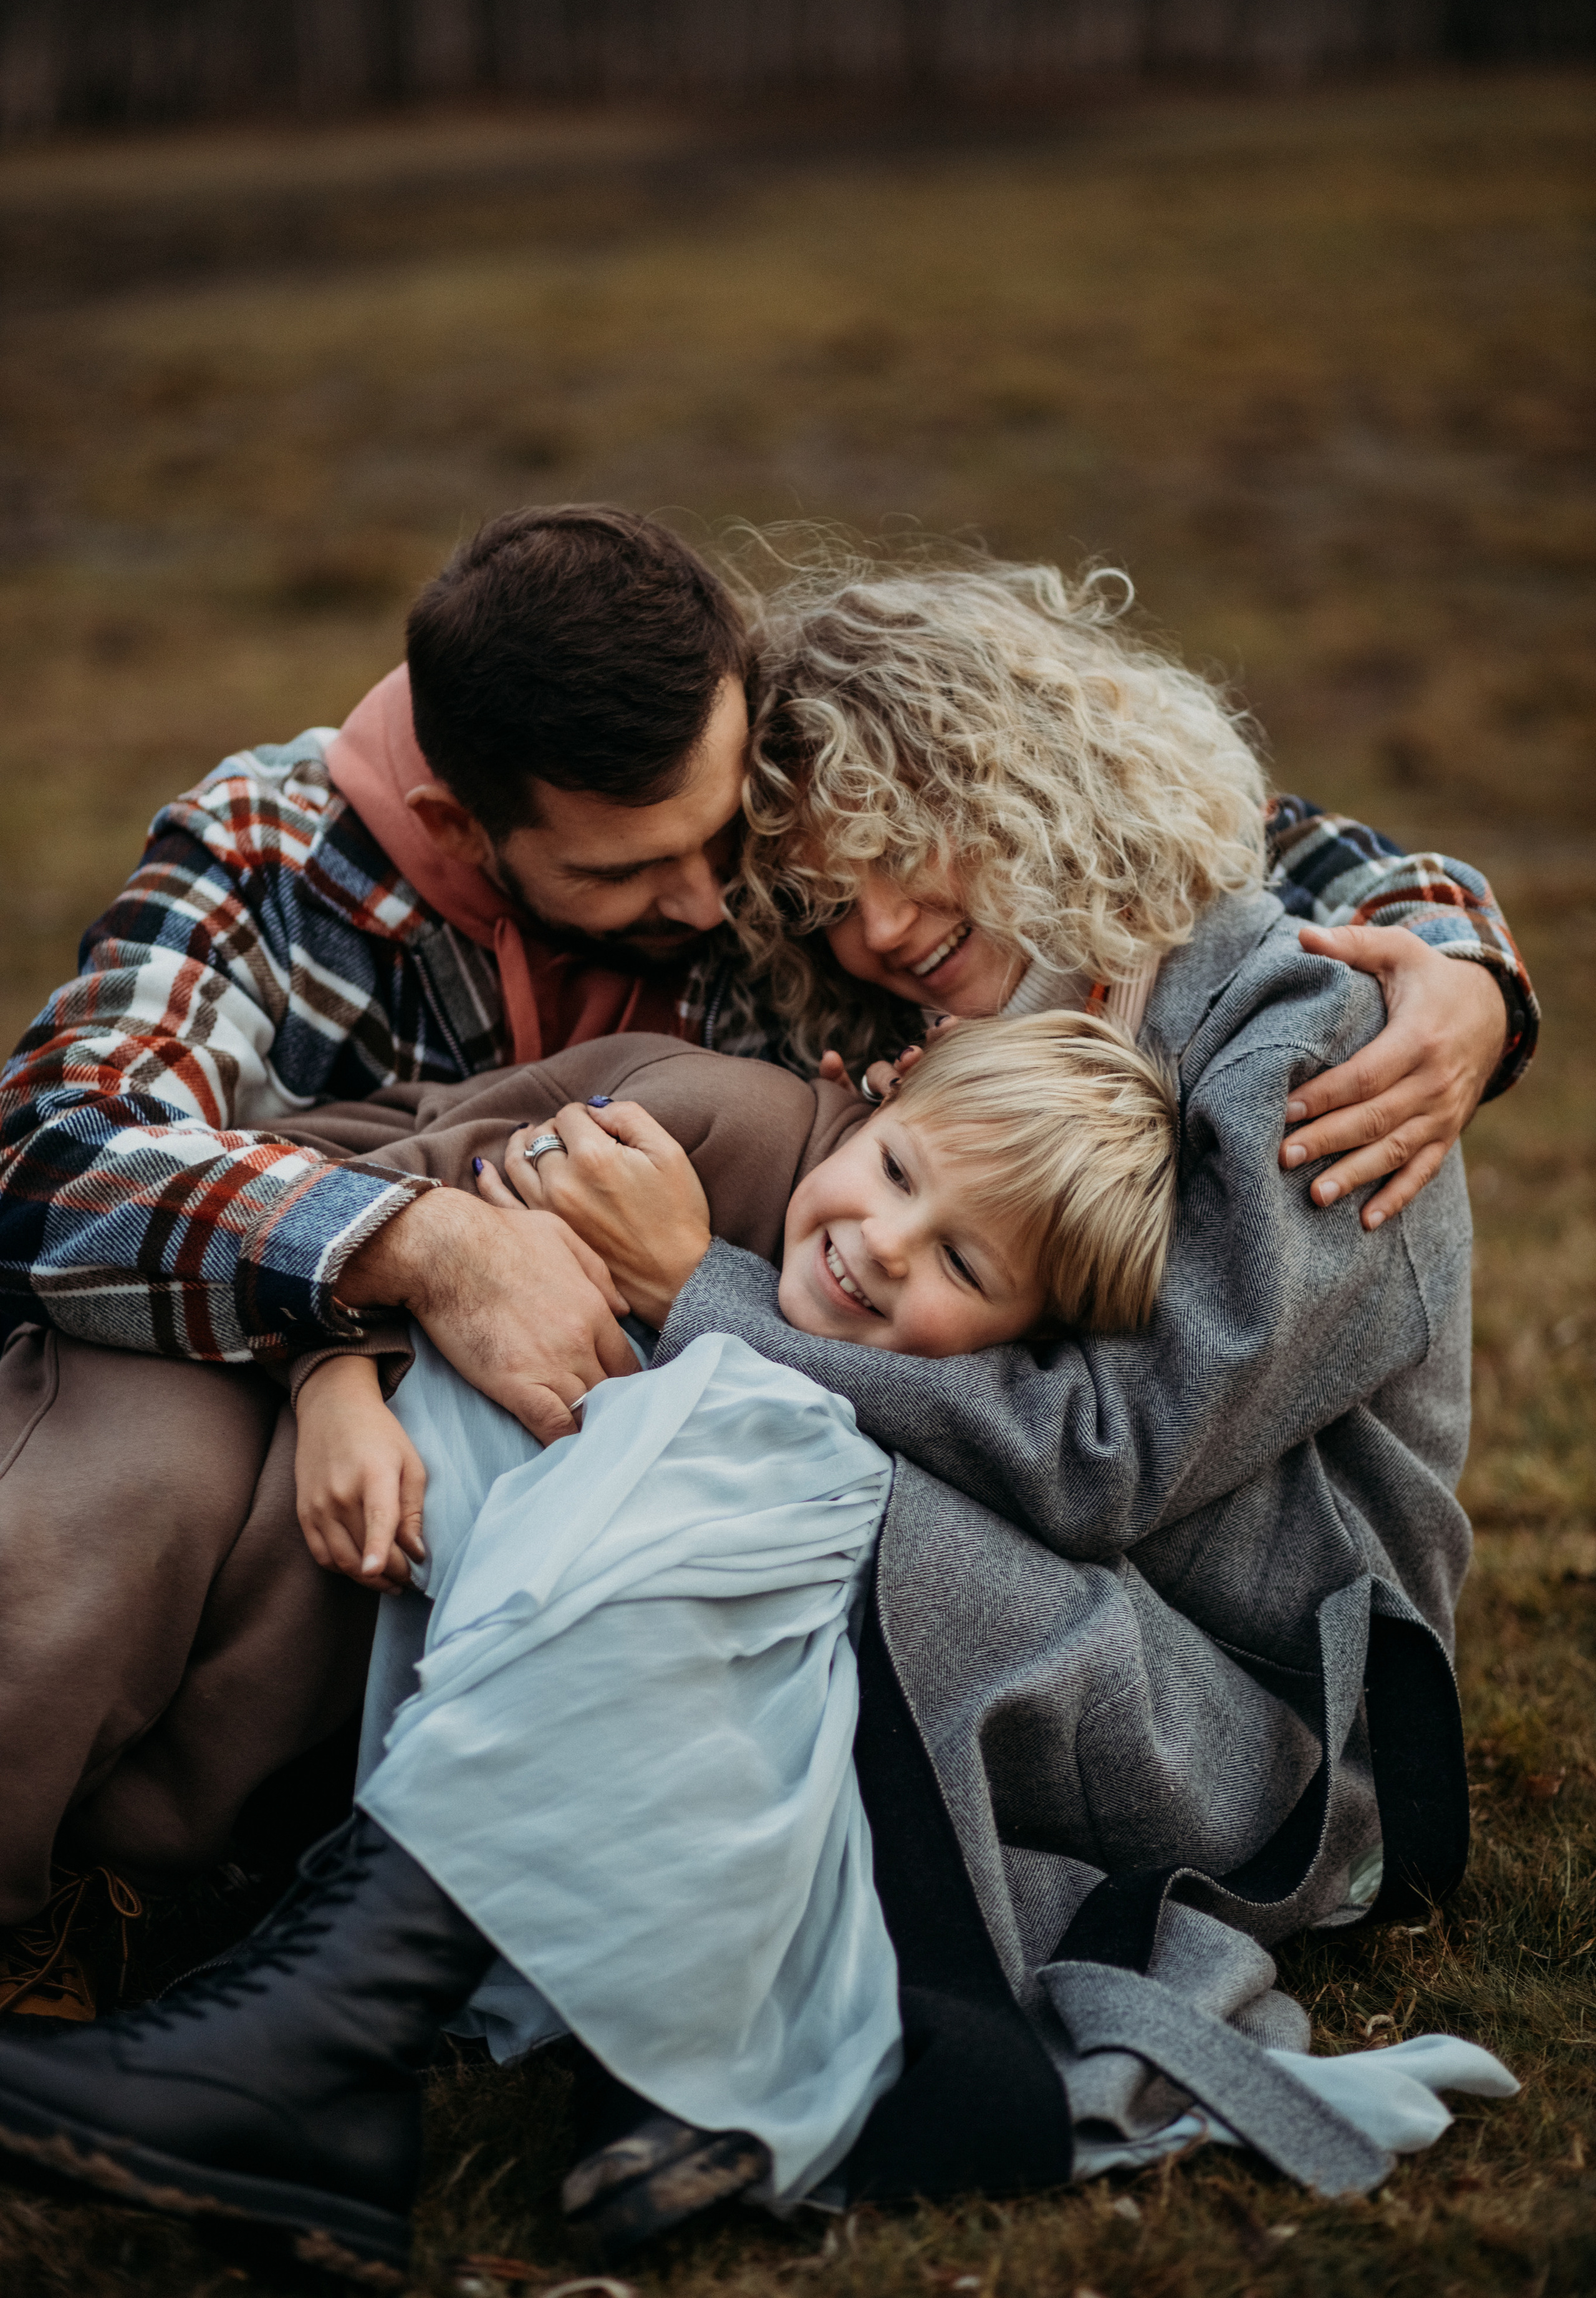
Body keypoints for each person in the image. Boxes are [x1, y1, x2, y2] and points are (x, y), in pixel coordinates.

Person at [0, 511, 1531, 1972]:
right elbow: (50, 1148)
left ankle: (376, 1915)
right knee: (160, 1461)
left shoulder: (852, 851)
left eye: (730, 854)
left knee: (723, 1330)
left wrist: (1460, 960)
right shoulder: (278, 855)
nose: (715, 906)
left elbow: (1201, 831)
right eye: (636, 874)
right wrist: (382, 1286)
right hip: (312, 1294)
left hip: (1153, 1622)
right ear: (469, 822)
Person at [0, 1018, 1517, 2275]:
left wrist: (1469, 968)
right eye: (894, 1173)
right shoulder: (694, 1121)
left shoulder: (1315, 1079)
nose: (876, 1243)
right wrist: (339, 1357)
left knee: (744, 1413)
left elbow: (1080, 1478)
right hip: (382, 1565)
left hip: (1199, 1731)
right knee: (666, 1407)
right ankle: (415, 2015)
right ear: (872, 1106)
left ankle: (338, 2015)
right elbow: (373, 1190)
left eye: (964, 1273)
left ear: (1023, 1348)